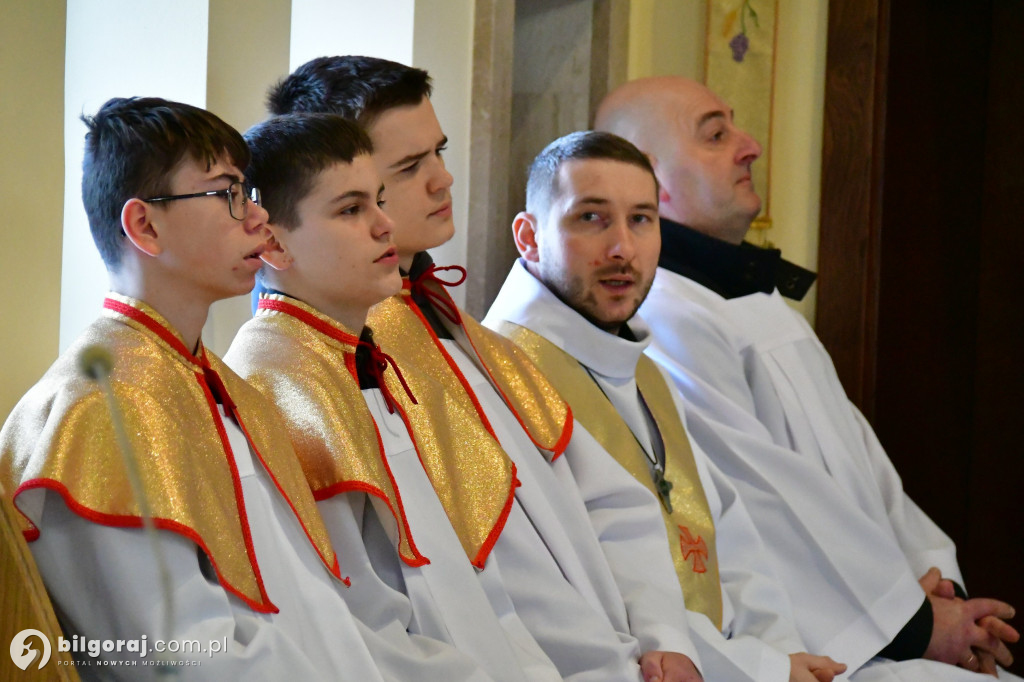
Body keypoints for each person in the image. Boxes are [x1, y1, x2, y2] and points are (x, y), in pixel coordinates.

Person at [258, 55, 704, 682]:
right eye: (409, 169)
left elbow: (608, 499)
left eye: (438, 152)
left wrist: (663, 636)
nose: (443, 179)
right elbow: (462, 579)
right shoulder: (346, 363)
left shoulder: (459, 328)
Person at [595, 76, 1020, 678]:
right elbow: (766, 498)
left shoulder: (751, 299)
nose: (750, 146)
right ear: (651, 182)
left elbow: (862, 462)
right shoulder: (663, 316)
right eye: (717, 135)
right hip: (827, 639)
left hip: (889, 608)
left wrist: (936, 581)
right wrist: (912, 622)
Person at [0, 97, 418, 679]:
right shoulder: (100, 409)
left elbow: (326, 608)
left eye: (247, 193)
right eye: (227, 195)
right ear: (145, 225)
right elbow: (179, 654)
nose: (257, 219)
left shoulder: (222, 386)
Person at [484, 129, 856, 682]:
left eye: (641, 219)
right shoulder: (503, 376)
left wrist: (779, 652)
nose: (622, 249)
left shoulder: (644, 371)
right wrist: (763, 669)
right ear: (529, 237)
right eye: (591, 218)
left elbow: (730, 535)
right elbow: (584, 592)